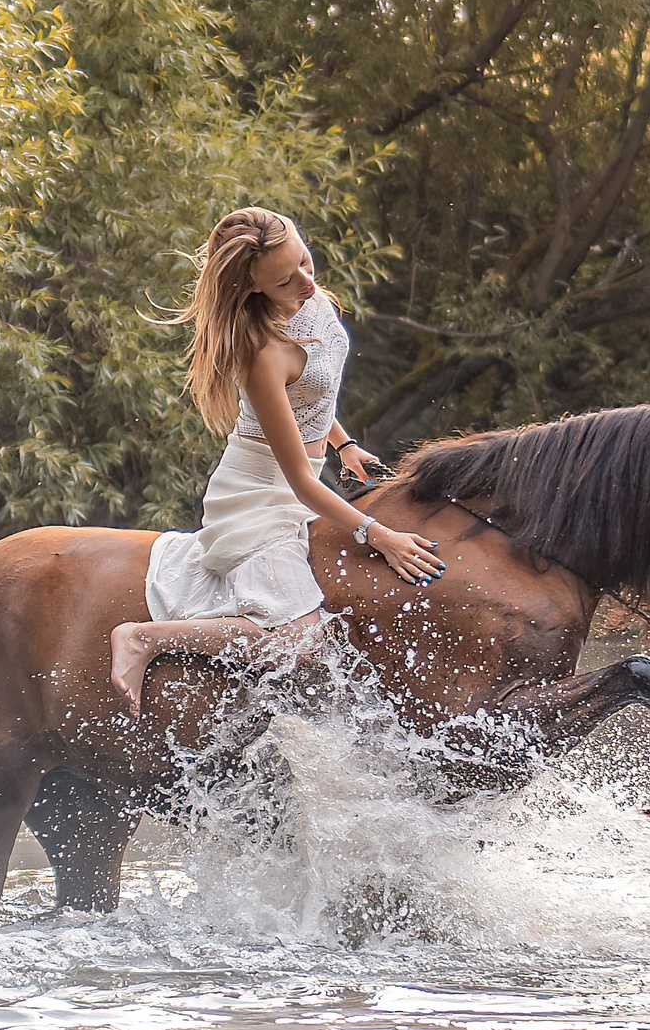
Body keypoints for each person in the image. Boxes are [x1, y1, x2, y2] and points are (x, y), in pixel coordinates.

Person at [110, 207, 440, 715]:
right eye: (285, 280)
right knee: (296, 638)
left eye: (305, 261)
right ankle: (143, 637)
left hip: (303, 475)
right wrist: (378, 535)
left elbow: (313, 391)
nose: (306, 281)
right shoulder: (261, 354)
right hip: (259, 494)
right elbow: (301, 482)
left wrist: (344, 444)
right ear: (254, 287)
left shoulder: (310, 301)